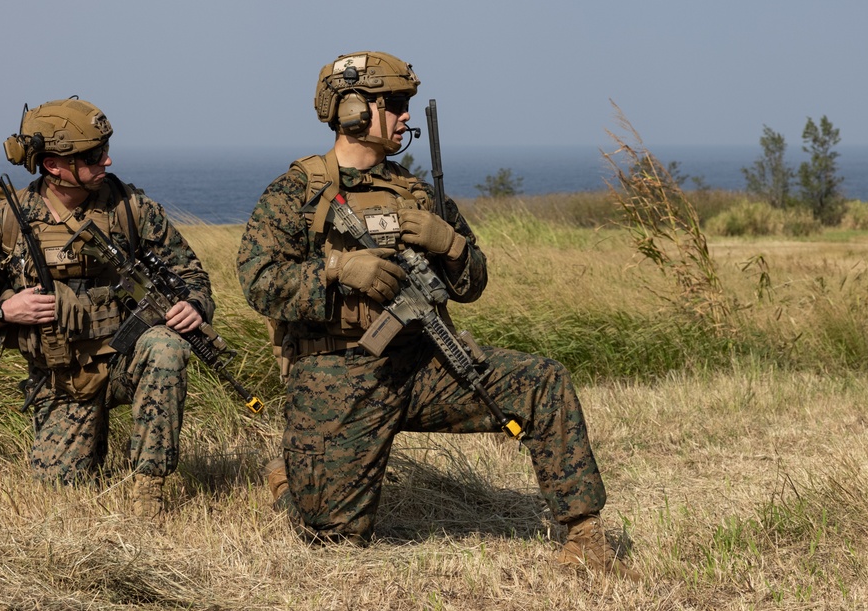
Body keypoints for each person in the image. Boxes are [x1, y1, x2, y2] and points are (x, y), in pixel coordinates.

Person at [237, 52, 638, 579]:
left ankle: (584, 534)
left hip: (423, 365)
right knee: (332, 538)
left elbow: (472, 282)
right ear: (355, 109)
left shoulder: (418, 192)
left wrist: (447, 242)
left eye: (407, 106)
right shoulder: (299, 191)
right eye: (396, 105)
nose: (405, 117)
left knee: (542, 382)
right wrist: (337, 271)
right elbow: (257, 279)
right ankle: (291, 478)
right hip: (334, 377)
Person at [0, 97, 214, 518]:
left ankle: (148, 489)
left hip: (125, 363)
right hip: (61, 379)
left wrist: (194, 305)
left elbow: (191, 275)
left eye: (103, 149)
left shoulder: (131, 209)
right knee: (59, 500)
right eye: (91, 156)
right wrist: (4, 310)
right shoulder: (8, 220)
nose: (105, 160)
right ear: (54, 164)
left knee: (166, 348)